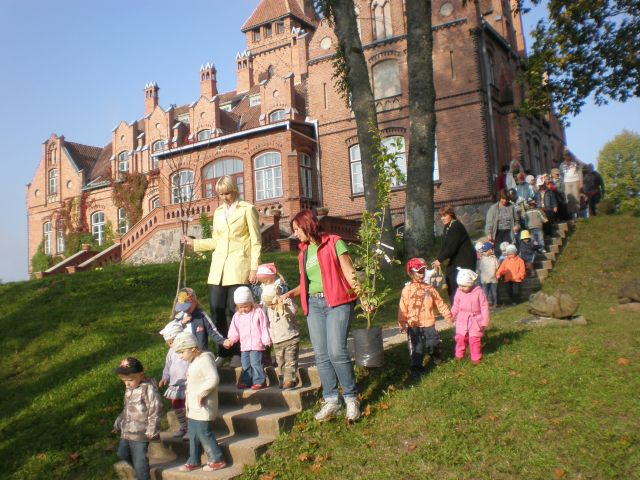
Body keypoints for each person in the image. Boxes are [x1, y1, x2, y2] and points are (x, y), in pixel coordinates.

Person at [280, 210, 363, 422]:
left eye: (297, 229)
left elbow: (349, 272)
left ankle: (351, 398)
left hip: (338, 302)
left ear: (307, 225)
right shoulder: (303, 253)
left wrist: (364, 297)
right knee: (321, 354)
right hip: (314, 305)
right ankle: (331, 400)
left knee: (336, 351)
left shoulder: (334, 242)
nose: (295, 234)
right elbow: (307, 283)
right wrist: (290, 293)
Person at [182, 175, 261, 368]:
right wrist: (194, 244)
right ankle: (223, 351)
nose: (224, 197)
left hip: (239, 265)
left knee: (234, 311)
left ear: (234, 190)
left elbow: (256, 240)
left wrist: (254, 267)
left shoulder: (247, 209)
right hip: (218, 268)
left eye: (227, 193)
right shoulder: (218, 213)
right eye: (221, 194)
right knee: (216, 310)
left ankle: (238, 352)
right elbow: (216, 241)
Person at [173, 331, 227, 472]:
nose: (180, 356)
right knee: (193, 434)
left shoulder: (205, 360)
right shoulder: (194, 361)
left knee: (203, 432)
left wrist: (203, 393)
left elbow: (213, 378)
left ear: (193, 348)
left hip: (203, 406)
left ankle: (217, 459)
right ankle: (194, 460)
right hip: (193, 407)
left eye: (182, 352)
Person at [397, 258, 452, 378]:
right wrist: (402, 323)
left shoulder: (429, 288)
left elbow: (439, 302)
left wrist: (447, 315)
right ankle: (416, 368)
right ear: (411, 273)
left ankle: (436, 357)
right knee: (417, 347)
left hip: (428, 323)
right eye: (419, 271)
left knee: (433, 343)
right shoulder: (407, 290)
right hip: (413, 324)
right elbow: (402, 307)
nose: (422, 274)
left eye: (423, 271)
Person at [113, 357, 162, 480]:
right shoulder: (129, 389)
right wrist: (118, 422)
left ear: (141, 375)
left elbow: (155, 409)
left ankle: (142, 474)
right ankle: (141, 471)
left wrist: (152, 429)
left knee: (140, 460)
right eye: (124, 380)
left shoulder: (147, 388)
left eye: (130, 380)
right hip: (127, 430)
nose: (127, 383)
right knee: (122, 453)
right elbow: (127, 408)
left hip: (142, 432)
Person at [258, 263, 300, 389]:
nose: (271, 306)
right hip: (277, 339)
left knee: (290, 360)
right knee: (280, 361)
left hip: (290, 336)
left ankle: (290, 380)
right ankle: (282, 379)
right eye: (268, 304)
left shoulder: (284, 302)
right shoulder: (268, 308)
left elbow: (294, 310)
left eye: (271, 303)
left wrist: (285, 303)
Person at [224, 286, 272, 389]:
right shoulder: (237, 316)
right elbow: (234, 329)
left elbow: (264, 326)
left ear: (251, 302)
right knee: (245, 364)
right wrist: (231, 339)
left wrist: (266, 339)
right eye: (240, 307)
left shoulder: (258, 312)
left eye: (245, 306)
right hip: (245, 345)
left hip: (256, 344)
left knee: (255, 363)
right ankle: (246, 381)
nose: (243, 309)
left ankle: (260, 381)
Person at [432, 206, 477, 302]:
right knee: (450, 279)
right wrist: (438, 259)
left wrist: (440, 260)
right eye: (441, 216)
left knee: (461, 282)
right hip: (456, 259)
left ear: (451, 214)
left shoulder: (456, 226)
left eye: (444, 215)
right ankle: (456, 306)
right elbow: (445, 246)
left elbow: (451, 247)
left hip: (465, 260)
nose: (442, 218)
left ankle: (466, 304)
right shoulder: (447, 227)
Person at [449, 269, 490, 365]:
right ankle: (459, 353)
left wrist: (485, 320)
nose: (461, 288)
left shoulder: (479, 292)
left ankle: (476, 356)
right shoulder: (459, 292)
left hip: (475, 319)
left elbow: (484, 307)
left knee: (474, 339)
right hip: (462, 318)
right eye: (459, 285)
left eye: (464, 286)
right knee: (460, 337)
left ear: (471, 284)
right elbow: (456, 305)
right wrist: (452, 315)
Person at [158, 321, 190, 438]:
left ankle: (191, 428)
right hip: (175, 384)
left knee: (188, 407)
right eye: (168, 343)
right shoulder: (171, 352)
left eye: (171, 342)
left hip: (187, 384)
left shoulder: (187, 349)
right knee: (177, 407)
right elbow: (168, 365)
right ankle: (184, 426)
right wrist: (165, 377)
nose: (170, 345)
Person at [174, 287, 227, 355]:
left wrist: (223, 341)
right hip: (184, 355)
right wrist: (181, 323)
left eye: (187, 307)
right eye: (182, 307)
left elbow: (212, 331)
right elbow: (172, 330)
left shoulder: (202, 316)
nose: (185, 310)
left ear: (194, 302)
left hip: (200, 354)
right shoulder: (180, 317)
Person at [559, 151, 583, 219]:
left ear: (570, 156)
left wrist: (581, 183)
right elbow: (561, 175)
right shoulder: (561, 165)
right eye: (565, 155)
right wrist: (562, 184)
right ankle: (572, 216)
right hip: (567, 182)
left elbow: (580, 172)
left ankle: (578, 214)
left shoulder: (575, 163)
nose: (567, 157)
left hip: (575, 181)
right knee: (569, 198)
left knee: (576, 197)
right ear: (564, 157)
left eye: (568, 155)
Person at [477, 242, 499, 308]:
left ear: (491, 250)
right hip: (485, 279)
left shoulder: (494, 259)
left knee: (494, 292)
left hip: (493, 279)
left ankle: (495, 303)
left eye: (485, 251)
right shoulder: (481, 259)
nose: (484, 252)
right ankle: (486, 305)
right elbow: (479, 269)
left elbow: (497, 267)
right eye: (483, 251)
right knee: (485, 293)